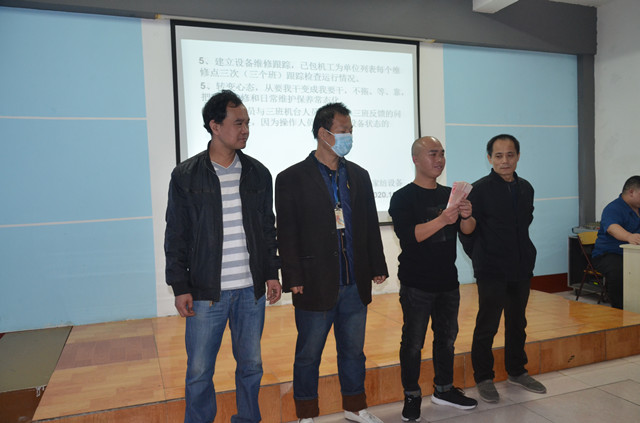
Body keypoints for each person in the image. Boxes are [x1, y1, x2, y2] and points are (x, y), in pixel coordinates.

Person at [164, 90, 281, 423]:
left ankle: (248, 419)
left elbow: (267, 229)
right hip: (206, 293)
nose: (245, 130)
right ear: (215, 126)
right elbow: (176, 235)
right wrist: (180, 286)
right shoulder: (185, 176)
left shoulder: (258, 173)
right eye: (238, 123)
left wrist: (271, 272)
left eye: (247, 123)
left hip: (250, 292)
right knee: (200, 371)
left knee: (251, 366)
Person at [275, 103, 389, 423]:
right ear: (323, 134)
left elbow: (369, 224)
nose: (348, 136)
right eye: (343, 130)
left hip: (354, 281)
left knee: (353, 352)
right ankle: (306, 414)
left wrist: (377, 265)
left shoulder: (359, 176)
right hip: (314, 282)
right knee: (308, 355)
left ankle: (355, 407)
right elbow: (287, 232)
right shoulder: (291, 178)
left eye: (351, 130)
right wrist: (293, 277)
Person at [389, 136, 478, 421]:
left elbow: (467, 231)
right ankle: (412, 395)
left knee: (447, 339)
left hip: (448, 281)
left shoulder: (450, 195)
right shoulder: (403, 197)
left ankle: (444, 389)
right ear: (416, 159)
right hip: (416, 283)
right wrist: (442, 219)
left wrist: (467, 215)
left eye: (442, 154)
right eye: (432, 154)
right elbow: (409, 236)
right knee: (413, 342)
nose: (439, 159)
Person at [460, 134, 546, 403]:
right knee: (487, 324)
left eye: (510, 155)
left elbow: (524, 223)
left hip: (521, 266)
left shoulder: (526, 188)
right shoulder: (478, 189)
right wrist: (481, 258)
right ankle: (483, 377)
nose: (505, 160)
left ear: (518, 156)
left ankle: (517, 371)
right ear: (489, 158)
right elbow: (467, 231)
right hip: (492, 268)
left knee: (518, 322)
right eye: (498, 156)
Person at [592, 176, 640, 309]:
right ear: (631, 192)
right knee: (619, 270)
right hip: (608, 254)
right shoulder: (613, 208)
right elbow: (612, 228)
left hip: (634, 254)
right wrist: (629, 236)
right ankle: (620, 309)